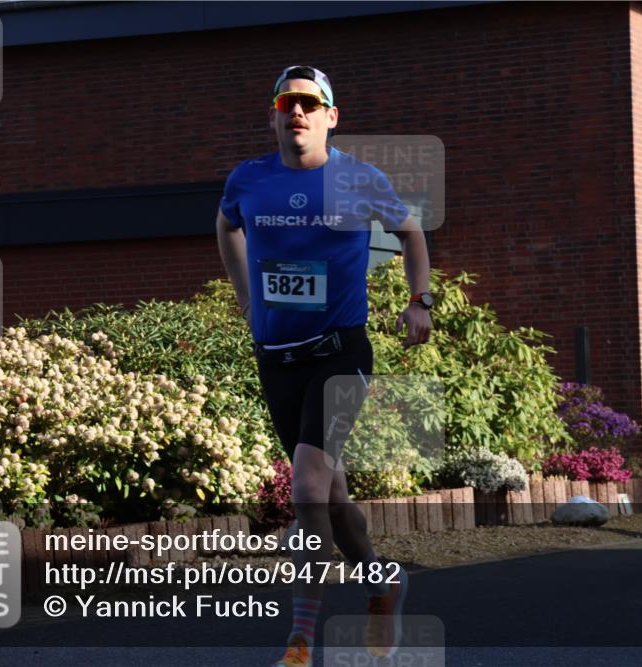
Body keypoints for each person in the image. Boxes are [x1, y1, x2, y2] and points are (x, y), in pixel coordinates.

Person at [216, 65, 434, 667]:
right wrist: (244, 294)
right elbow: (225, 224)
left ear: (331, 117)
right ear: (273, 115)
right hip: (277, 358)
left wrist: (420, 301)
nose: (298, 114)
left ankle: (300, 639)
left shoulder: (358, 179)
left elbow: (412, 232)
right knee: (332, 498)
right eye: (287, 103)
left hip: (340, 352)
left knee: (308, 488)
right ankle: (381, 580)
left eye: (311, 104)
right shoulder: (249, 180)